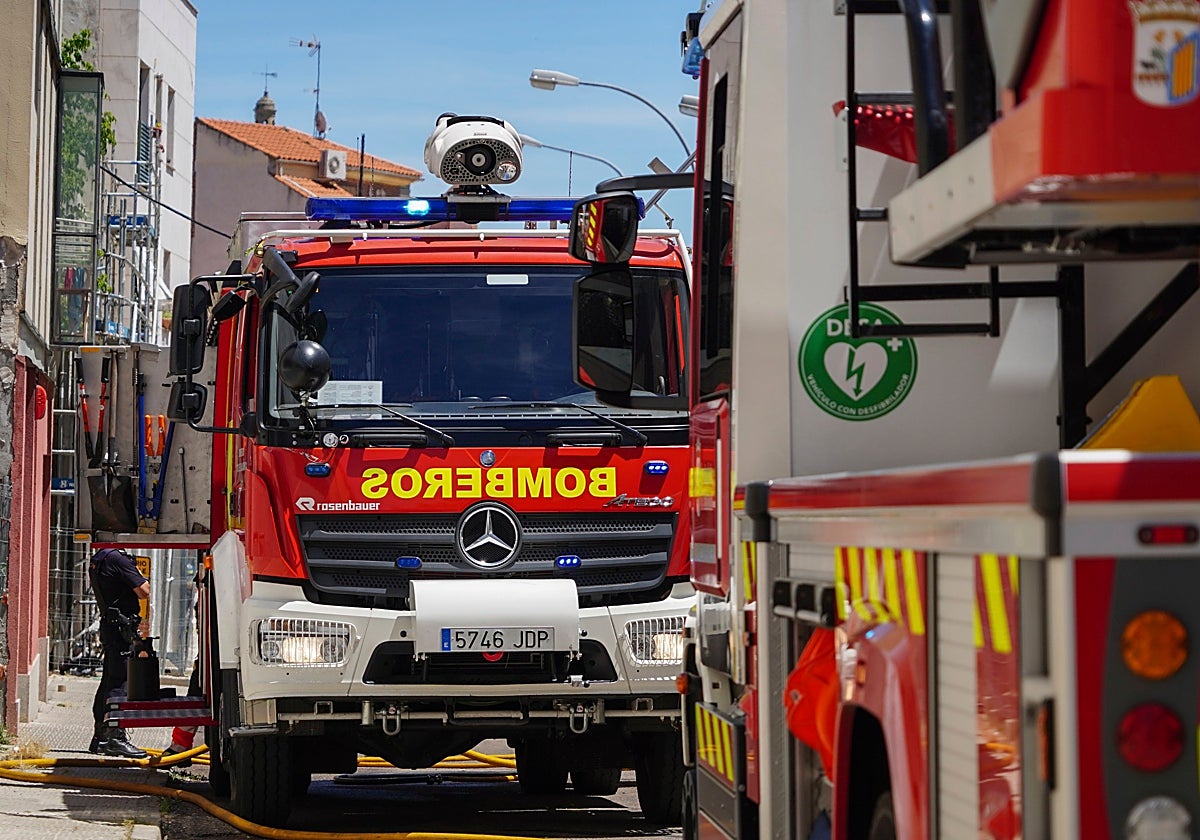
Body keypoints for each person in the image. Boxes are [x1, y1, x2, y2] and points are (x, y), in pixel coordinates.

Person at [88, 546, 150, 758]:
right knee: (120, 682)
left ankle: (101, 736)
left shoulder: (100, 558)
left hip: (111, 626)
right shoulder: (118, 559)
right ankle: (116, 737)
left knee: (108, 680)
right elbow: (144, 590)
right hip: (121, 629)